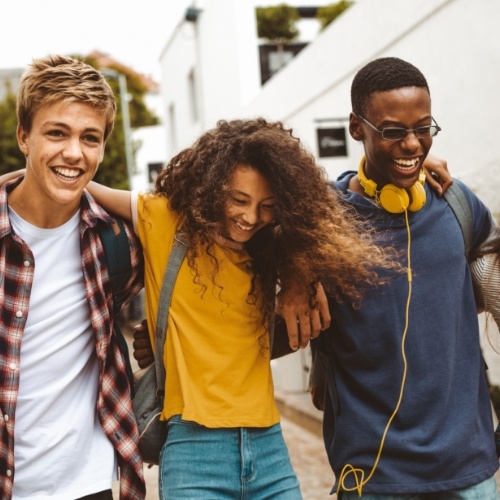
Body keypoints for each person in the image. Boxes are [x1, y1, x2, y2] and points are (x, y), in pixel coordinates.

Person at [84, 117, 400, 499]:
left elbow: (337, 204)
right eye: (238, 200)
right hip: (193, 451)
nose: (251, 217)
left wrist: (301, 275)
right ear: (211, 186)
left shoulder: (273, 250)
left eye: (267, 206)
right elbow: (79, 186)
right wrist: (21, 177)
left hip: (269, 448)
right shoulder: (165, 221)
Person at [311, 56, 498, 499]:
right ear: (357, 128)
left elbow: (488, 267)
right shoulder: (321, 225)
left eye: (424, 128)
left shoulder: (457, 205)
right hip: (374, 477)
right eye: (393, 131)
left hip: (472, 473)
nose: (413, 144)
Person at [0, 55, 145, 499]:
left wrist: (302, 279)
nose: (74, 153)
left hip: (95, 483)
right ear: (25, 136)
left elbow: (215, 225)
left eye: (90, 138)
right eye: (57, 132)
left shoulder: (118, 241)